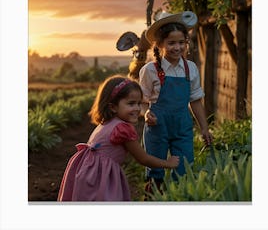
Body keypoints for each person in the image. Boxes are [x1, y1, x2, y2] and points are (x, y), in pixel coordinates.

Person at [57, 75, 179, 201]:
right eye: (131, 104)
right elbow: (143, 158)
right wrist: (168, 163)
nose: (137, 108)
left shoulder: (106, 123)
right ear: (113, 107)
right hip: (101, 178)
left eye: (139, 103)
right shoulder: (122, 129)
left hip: (87, 173)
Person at [139, 11, 213, 194]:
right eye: (171, 43)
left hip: (182, 128)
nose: (177, 47)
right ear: (160, 44)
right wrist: (146, 113)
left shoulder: (191, 68)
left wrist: (204, 128)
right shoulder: (150, 70)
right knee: (155, 175)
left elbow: (195, 100)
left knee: (184, 171)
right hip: (157, 129)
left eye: (181, 42)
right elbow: (141, 102)